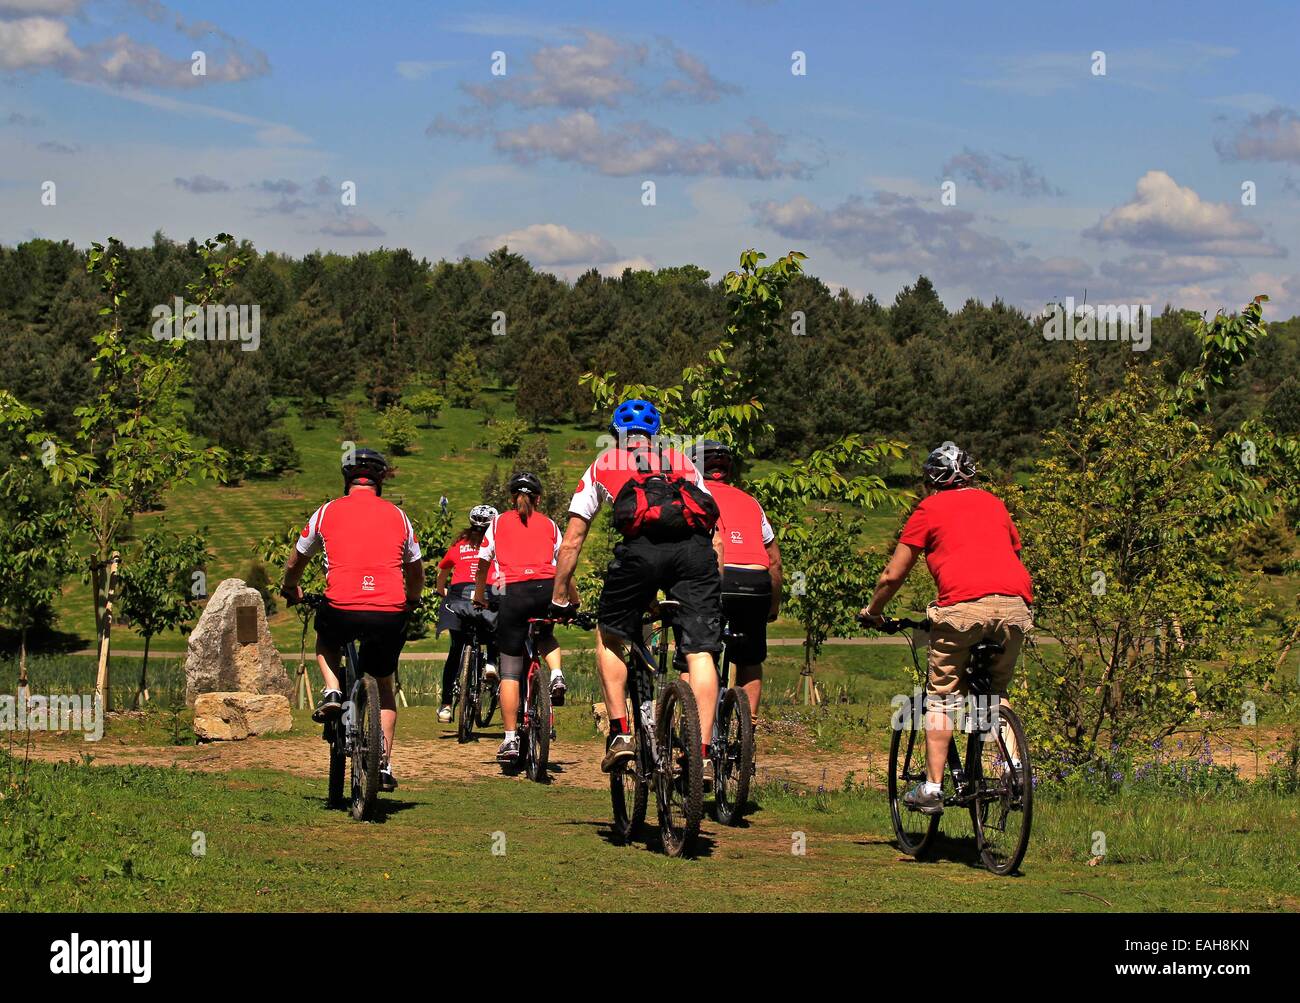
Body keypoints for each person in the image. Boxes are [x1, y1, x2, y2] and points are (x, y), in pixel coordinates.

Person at [550, 399, 725, 783]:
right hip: (694, 555)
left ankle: (619, 734)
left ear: (616, 433)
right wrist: (713, 586)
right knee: (700, 653)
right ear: (656, 433)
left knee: (610, 634)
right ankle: (704, 754)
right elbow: (715, 532)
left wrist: (560, 595)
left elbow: (573, 540)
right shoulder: (682, 460)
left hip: (640, 554)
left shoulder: (605, 462)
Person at [859, 441, 1033, 814]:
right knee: (995, 692)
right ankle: (1014, 770)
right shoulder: (994, 503)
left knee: (942, 697)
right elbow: (1012, 555)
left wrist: (873, 611)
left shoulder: (930, 508)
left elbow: (893, 575)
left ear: (930, 481)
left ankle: (933, 788)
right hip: (1015, 606)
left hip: (962, 609)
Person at [282, 447, 424, 792]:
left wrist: (291, 587)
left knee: (327, 638)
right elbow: (415, 570)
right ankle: (384, 763)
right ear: (379, 481)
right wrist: (413, 600)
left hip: (342, 606)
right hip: (389, 611)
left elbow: (296, 560)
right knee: (385, 686)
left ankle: (332, 690)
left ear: (347, 480)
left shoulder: (327, 511)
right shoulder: (398, 516)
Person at [684, 440, 782, 726]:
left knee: (695, 655)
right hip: (755, 582)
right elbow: (774, 560)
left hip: (713, 580)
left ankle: (690, 731)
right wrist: (772, 606)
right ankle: (747, 733)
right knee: (749, 660)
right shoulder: (751, 502)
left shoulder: (689, 496)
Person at [471, 472, 566, 765]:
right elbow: (564, 562)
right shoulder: (550, 524)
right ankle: (557, 675)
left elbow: (484, 561)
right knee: (546, 635)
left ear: (512, 498)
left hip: (512, 593)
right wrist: (569, 598)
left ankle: (510, 739)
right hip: (546, 589)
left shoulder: (497, 523)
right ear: (538, 499)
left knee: (510, 671)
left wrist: (479, 594)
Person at [434, 504, 498, 724]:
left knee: (455, 651)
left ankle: (446, 706)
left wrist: (441, 591)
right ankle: (491, 662)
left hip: (459, 596)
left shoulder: (459, 546)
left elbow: (442, 571)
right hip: (487, 593)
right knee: (493, 623)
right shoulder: (497, 546)